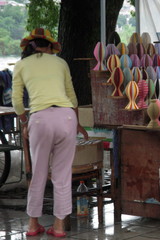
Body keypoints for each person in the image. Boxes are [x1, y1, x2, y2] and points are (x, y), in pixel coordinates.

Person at [12, 28, 88, 237]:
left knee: (38, 174)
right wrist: (77, 123)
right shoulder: (61, 63)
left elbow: (17, 101)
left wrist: (25, 121)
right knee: (62, 176)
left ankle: (32, 225)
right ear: (48, 46)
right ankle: (59, 227)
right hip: (66, 118)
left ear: (30, 46)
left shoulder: (21, 65)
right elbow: (72, 97)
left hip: (40, 119)